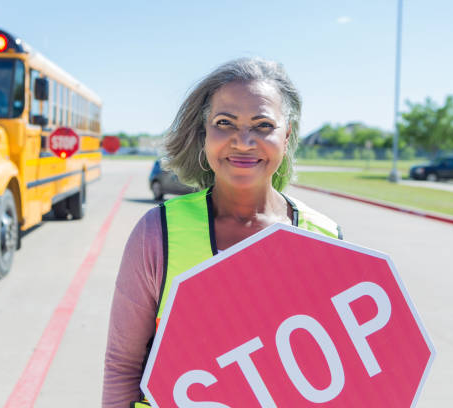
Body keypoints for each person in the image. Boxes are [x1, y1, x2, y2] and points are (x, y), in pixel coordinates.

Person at [102, 58, 342, 407]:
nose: (243, 141)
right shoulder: (158, 233)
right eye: (224, 123)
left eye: (263, 125)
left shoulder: (325, 239)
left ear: (286, 135)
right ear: (204, 134)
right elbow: (123, 366)